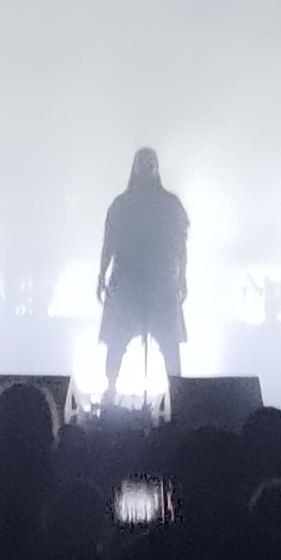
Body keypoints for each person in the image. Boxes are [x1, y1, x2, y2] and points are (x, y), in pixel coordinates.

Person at [97, 149, 189, 404]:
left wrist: (182, 277)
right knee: (116, 343)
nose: (146, 167)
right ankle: (110, 392)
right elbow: (109, 243)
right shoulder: (122, 205)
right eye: (142, 162)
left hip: (159, 283)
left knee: (169, 345)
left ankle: (178, 396)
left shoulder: (169, 205)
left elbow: (180, 246)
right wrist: (101, 273)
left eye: (150, 162)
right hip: (129, 281)